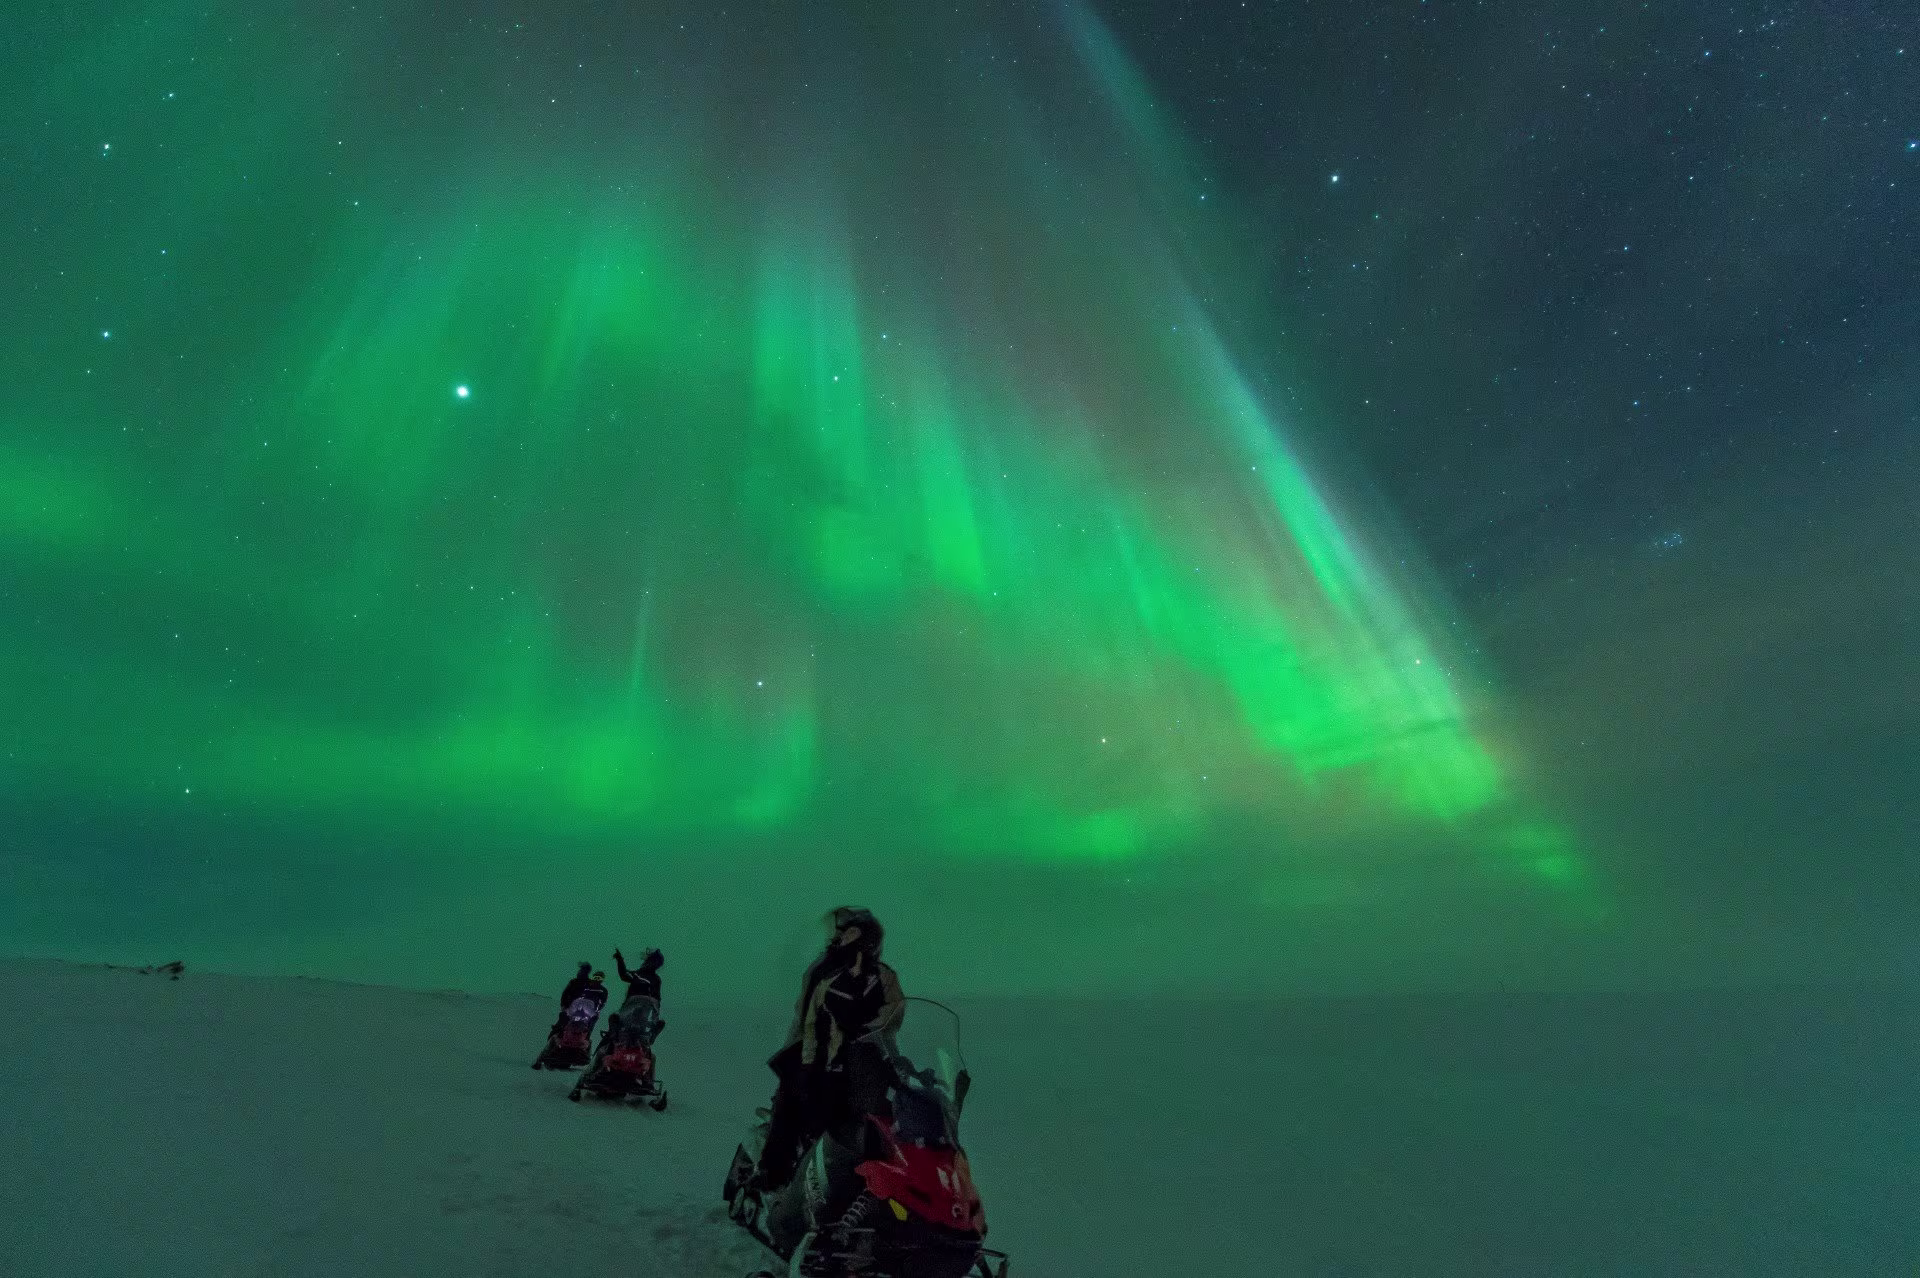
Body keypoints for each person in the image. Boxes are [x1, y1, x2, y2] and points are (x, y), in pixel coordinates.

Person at [749, 907, 905, 1191]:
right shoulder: (824, 973)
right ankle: (772, 1174)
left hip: (867, 1064)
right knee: (790, 1102)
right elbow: (806, 1020)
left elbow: (894, 1014)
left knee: (892, 1121)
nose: (840, 938)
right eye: (842, 933)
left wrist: (867, 1027)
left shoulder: (883, 977)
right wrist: (807, 1063)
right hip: (823, 1060)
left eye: (847, 933)